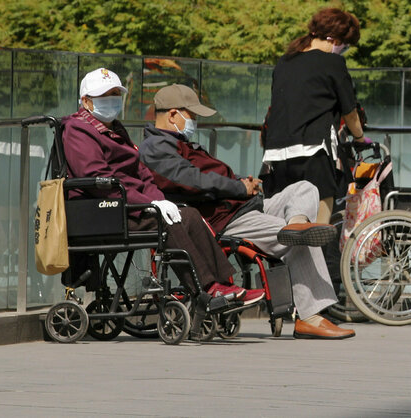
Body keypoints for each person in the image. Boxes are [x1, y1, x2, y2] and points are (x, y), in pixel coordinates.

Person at [139, 84, 355, 340]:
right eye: (192, 115)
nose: (194, 122)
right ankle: (310, 317)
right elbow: (191, 180)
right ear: (173, 115)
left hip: (243, 206)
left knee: (305, 188)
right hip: (227, 218)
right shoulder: (156, 147)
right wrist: (239, 187)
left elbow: (214, 176)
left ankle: (296, 223)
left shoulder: (180, 143)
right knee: (296, 239)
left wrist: (245, 183)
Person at [61, 68, 262, 305]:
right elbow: (97, 179)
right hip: (106, 208)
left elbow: (142, 173)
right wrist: (147, 203)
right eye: (106, 95)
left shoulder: (114, 128)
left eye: (116, 94)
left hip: (127, 203)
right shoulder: (78, 130)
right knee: (170, 222)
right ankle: (206, 289)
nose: (113, 100)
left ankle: (224, 284)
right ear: (86, 101)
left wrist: (158, 199)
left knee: (188, 215)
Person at [262, 7, 366, 225]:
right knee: (316, 228)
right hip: (314, 154)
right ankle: (315, 258)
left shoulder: (285, 62)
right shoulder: (333, 63)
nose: (343, 51)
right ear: (334, 40)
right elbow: (350, 112)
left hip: (277, 155)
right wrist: (359, 138)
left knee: (286, 226)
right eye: (345, 47)